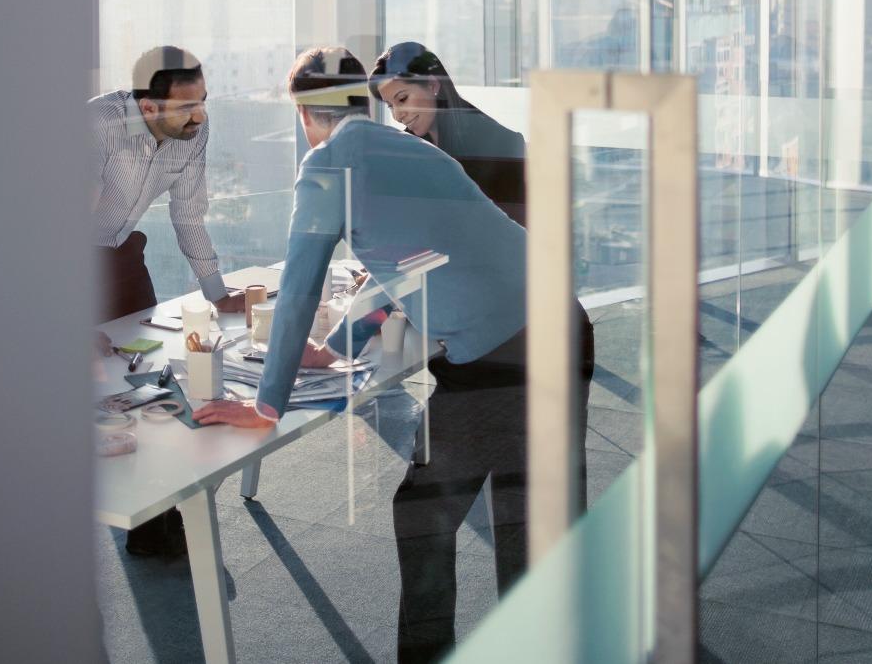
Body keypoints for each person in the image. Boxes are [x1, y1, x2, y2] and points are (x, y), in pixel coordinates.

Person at [195, 46, 593, 664]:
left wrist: (267, 402)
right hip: (565, 327)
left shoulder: (327, 164)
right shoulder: (415, 151)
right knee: (528, 516)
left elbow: (301, 284)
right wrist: (337, 348)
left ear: (305, 112)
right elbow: (413, 263)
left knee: (425, 512)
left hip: (504, 359)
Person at [90, 45, 244, 557]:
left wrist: (217, 291)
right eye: (186, 106)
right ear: (147, 106)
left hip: (119, 255)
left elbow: (189, 215)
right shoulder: (97, 126)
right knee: (94, 382)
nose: (200, 116)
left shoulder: (191, 131)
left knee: (150, 369)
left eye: (202, 100)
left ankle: (155, 516)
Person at [369, 41, 528, 226]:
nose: (397, 115)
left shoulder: (499, 143)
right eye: (390, 106)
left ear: (432, 85)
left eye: (402, 99)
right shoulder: (409, 146)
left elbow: (513, 234)